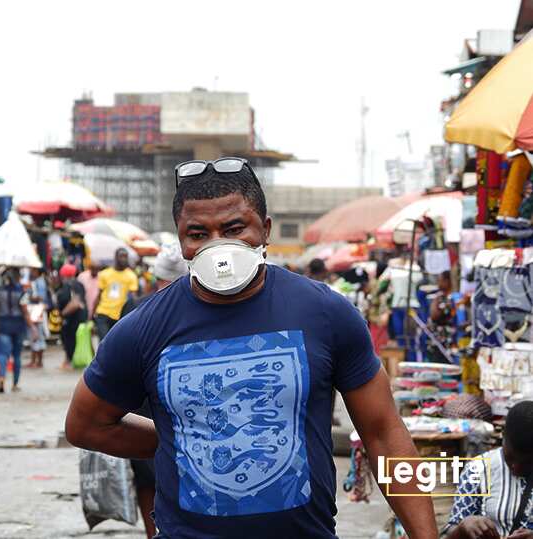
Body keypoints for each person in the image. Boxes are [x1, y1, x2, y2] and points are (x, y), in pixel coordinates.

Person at [65, 157, 436, 538]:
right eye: (198, 234)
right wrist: (188, 439)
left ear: (266, 230)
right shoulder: (143, 329)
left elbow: (384, 433)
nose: (218, 247)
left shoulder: (325, 313)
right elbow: (85, 425)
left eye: (234, 228)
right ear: (181, 242)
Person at [121, 243, 189, 539]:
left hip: (142, 405)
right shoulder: (200, 310)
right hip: (181, 407)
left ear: (154, 277)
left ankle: (153, 533)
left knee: (147, 476)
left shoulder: (136, 308)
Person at [444, 400, 533, 538]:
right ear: (503, 437)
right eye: (510, 458)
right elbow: (450, 534)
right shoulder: (478, 469)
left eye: (527, 463)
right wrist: (463, 527)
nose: (515, 467)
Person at [0, 267, 35, 393]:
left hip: (3, 324)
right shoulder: (22, 292)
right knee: (17, 355)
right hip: (18, 325)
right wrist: (32, 328)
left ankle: (1, 379)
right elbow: (25, 312)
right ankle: (15, 384)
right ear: (17, 277)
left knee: (3, 354)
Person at [92, 248, 138, 341]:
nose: (124, 259)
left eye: (126, 257)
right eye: (121, 256)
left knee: (114, 343)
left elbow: (133, 298)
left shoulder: (131, 276)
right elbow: (99, 294)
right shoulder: (104, 274)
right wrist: (92, 312)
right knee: (104, 341)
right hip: (103, 312)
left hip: (120, 315)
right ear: (115, 257)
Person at [55, 264, 87, 370]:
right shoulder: (78, 284)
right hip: (76, 317)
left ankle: (70, 361)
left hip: (73, 318)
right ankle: (68, 360)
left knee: (70, 339)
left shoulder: (71, 285)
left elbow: (75, 303)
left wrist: (63, 313)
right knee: (69, 338)